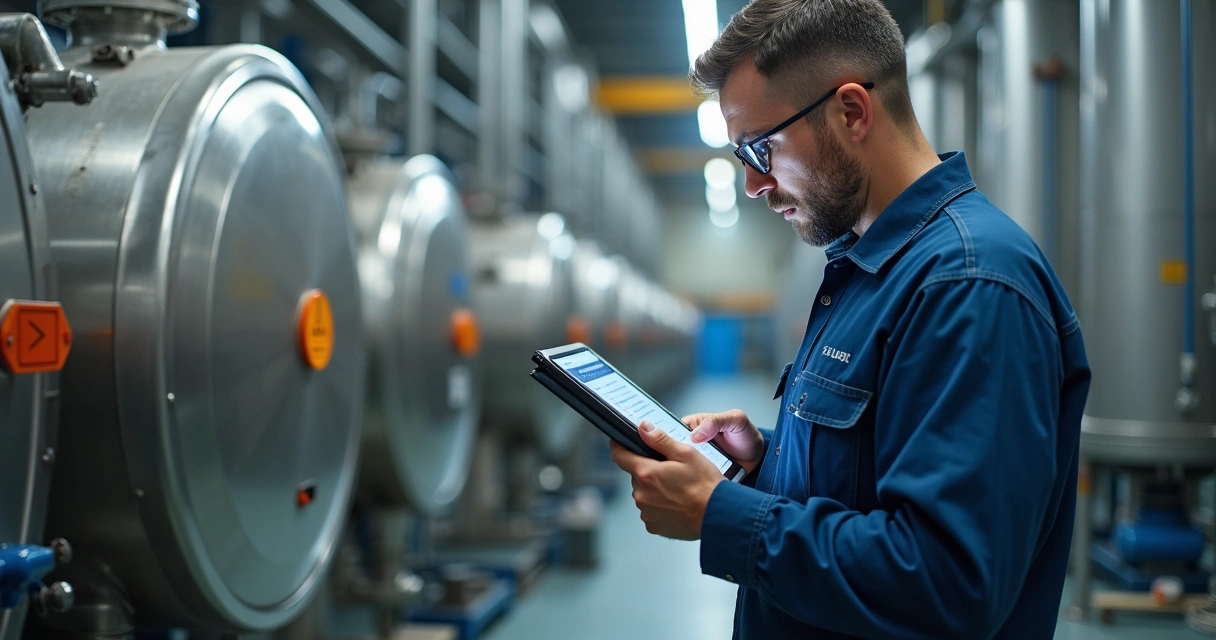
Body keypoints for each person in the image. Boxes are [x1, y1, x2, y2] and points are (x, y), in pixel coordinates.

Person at [607, 0, 1091, 638]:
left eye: (760, 149)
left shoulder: (968, 285)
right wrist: (765, 463)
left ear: (852, 112)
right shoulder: (866, 271)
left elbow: (948, 583)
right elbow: (876, 477)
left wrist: (718, 514)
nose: (754, 186)